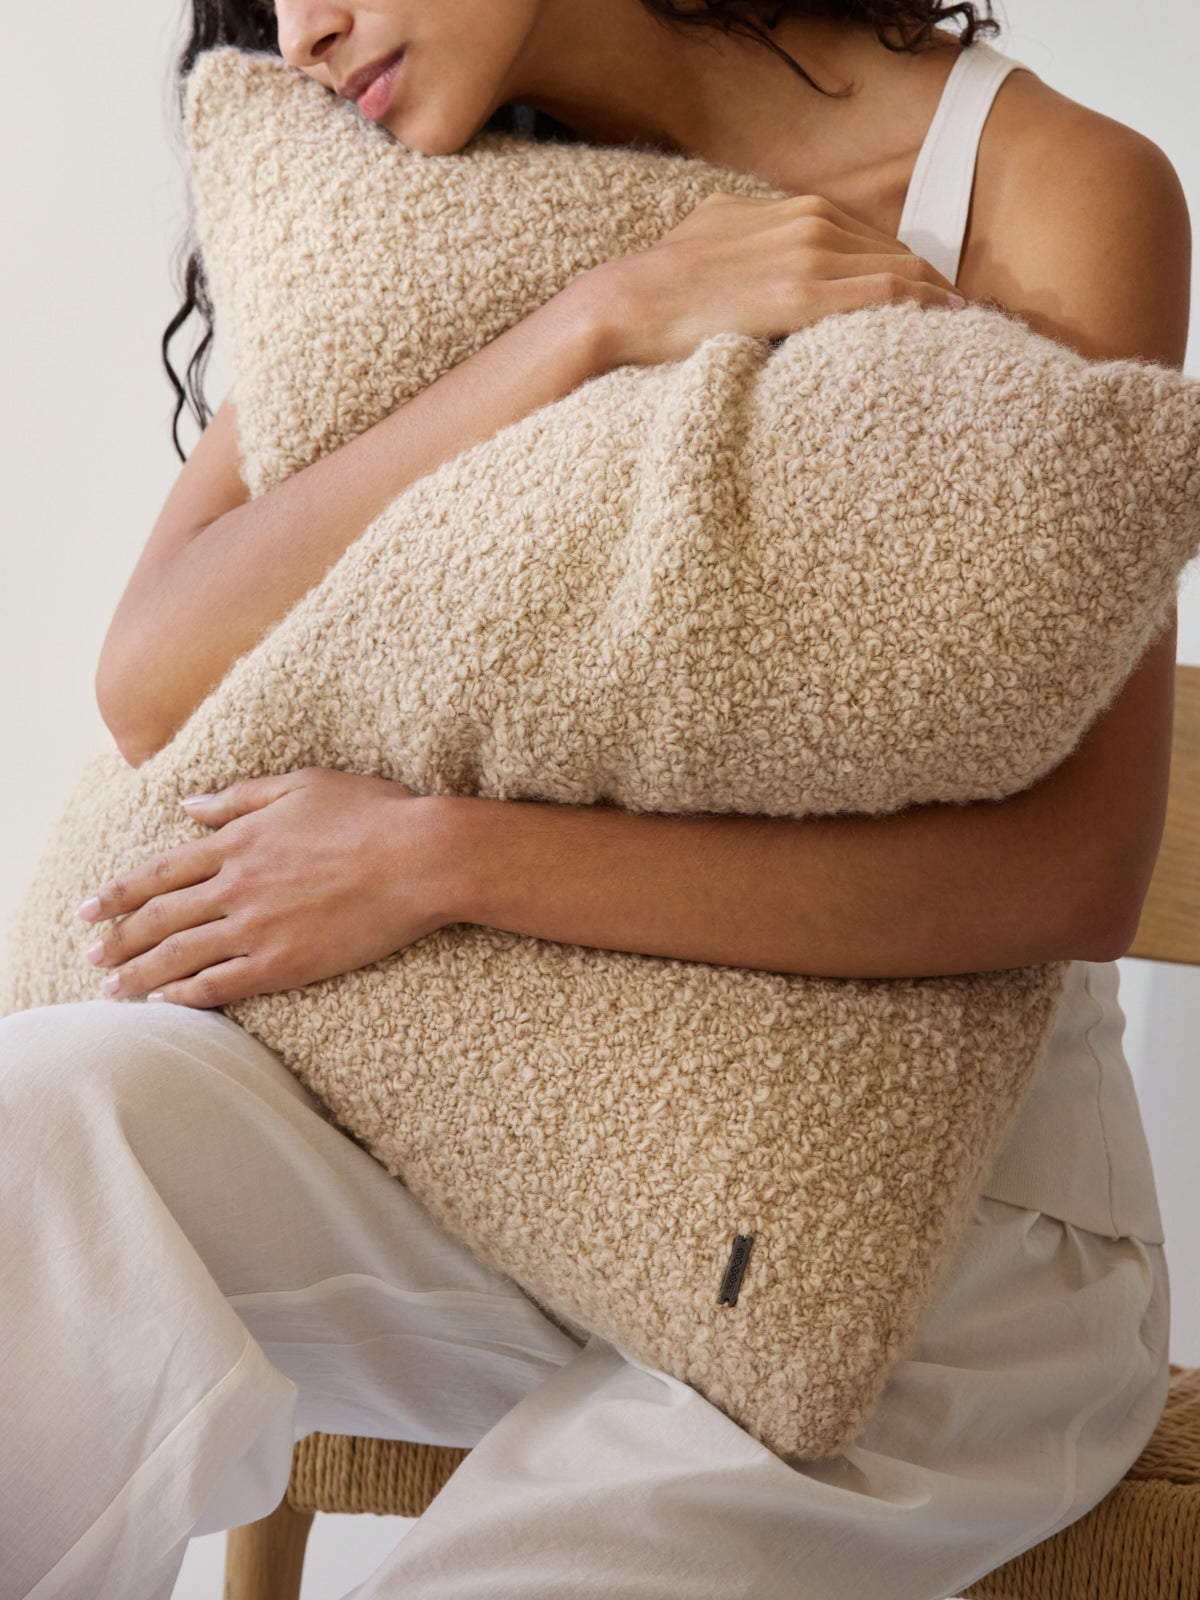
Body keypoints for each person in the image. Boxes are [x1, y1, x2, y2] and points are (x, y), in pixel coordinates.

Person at [1, 3, 1189, 1597]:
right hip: (489, 1169)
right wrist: (602, 314)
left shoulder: (1039, 188)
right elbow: (157, 672)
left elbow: (1067, 877)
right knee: (38, 1133)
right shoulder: (425, 198)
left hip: (927, 1261)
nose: (304, 32)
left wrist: (441, 858)